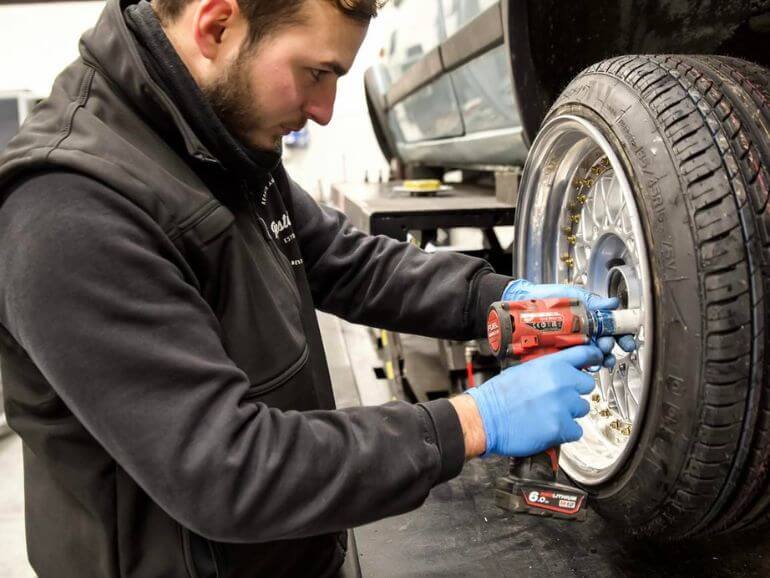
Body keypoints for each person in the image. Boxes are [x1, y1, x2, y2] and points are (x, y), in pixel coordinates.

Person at [0, 0, 631, 576]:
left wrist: (499, 298)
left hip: (289, 545)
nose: (325, 111)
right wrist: (473, 420)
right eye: (317, 73)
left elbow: (343, 261)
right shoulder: (69, 212)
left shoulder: (216, 138)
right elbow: (229, 471)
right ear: (217, 25)